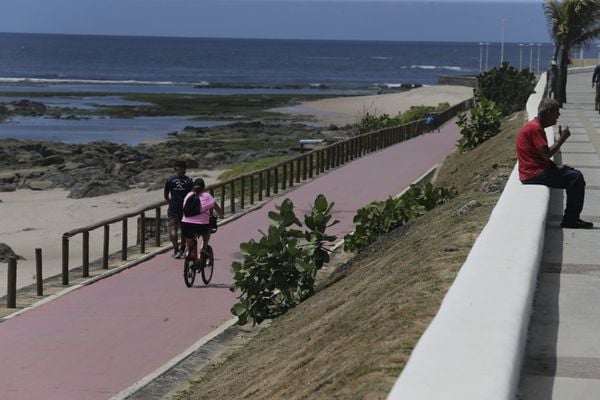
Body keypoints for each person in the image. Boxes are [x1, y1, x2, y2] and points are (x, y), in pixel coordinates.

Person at [516, 98, 593, 229]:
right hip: (532, 174)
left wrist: (557, 167)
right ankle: (571, 219)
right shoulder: (536, 129)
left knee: (574, 176)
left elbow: (539, 157)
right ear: (549, 112)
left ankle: (571, 218)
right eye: (556, 112)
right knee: (576, 177)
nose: (558, 116)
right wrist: (562, 139)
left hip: (532, 171)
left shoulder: (535, 126)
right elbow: (546, 154)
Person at [180, 178, 224, 264]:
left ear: (193, 187)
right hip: (201, 226)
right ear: (204, 187)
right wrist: (221, 216)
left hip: (185, 224)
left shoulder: (188, 195)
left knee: (189, 238)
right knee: (207, 230)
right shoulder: (207, 196)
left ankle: (189, 251)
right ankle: (204, 247)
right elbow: (217, 208)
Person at [164, 161, 194, 258]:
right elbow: (192, 195)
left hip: (173, 207)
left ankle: (176, 249)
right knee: (184, 229)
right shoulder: (189, 181)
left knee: (173, 228)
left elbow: (166, 195)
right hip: (185, 208)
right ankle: (182, 248)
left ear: (175, 169)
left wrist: (171, 202)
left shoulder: (169, 180)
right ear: (185, 169)